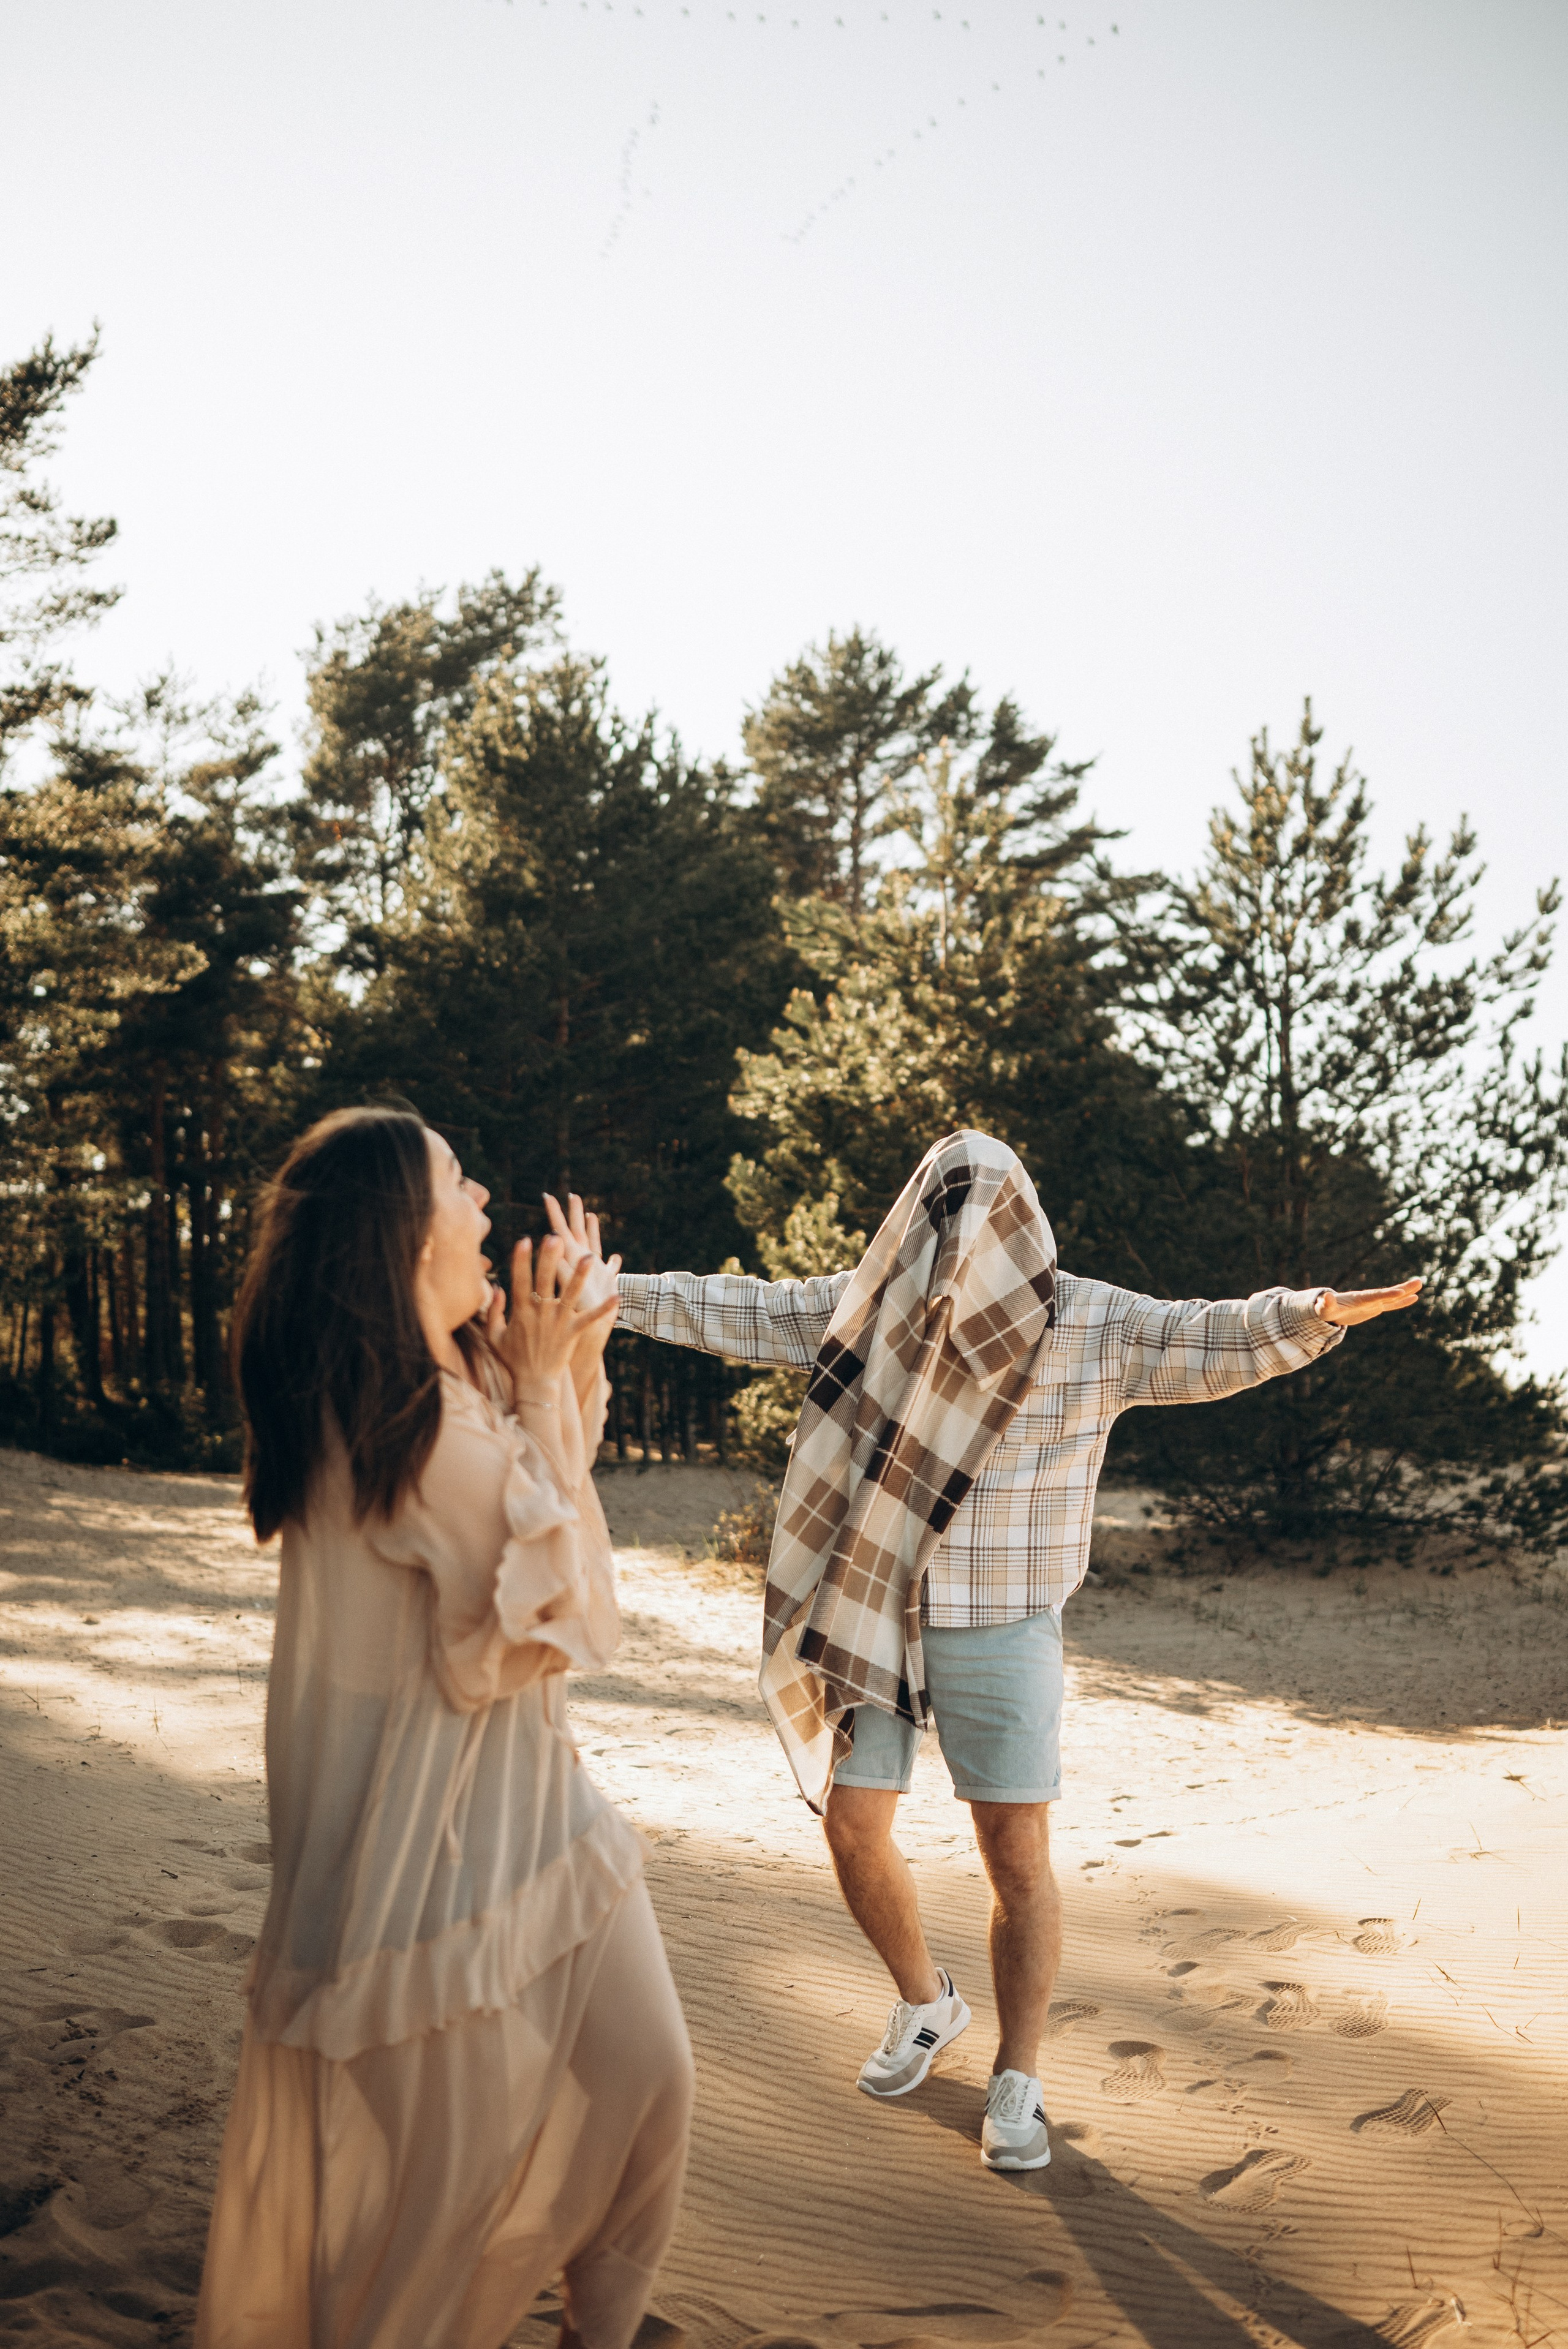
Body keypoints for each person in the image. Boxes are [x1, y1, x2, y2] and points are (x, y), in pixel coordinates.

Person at [546, 1132, 1420, 2179]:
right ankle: (928, 2003)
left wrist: (1307, 1316)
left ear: (1022, 1222)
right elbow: (744, 1307)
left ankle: (1020, 2073)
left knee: (1017, 1861)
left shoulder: (1088, 1319)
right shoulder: (877, 1307)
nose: (962, 1239)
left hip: (1005, 1622)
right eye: (944, 1215)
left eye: (983, 1216)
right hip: (878, 1607)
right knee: (854, 1827)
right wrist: (615, 1291)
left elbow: (1207, 1338)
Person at [196, 1107, 694, 2349]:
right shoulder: (399, 1432)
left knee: (648, 2080)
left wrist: (564, 1346)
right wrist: (538, 1373)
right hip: (425, 1862)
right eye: (459, 1186)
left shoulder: (441, 1385)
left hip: (535, 1810)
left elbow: (548, 1473)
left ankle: (604, 2328)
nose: (485, 1205)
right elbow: (556, 1608)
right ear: (403, 1239)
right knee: (440, 2205)